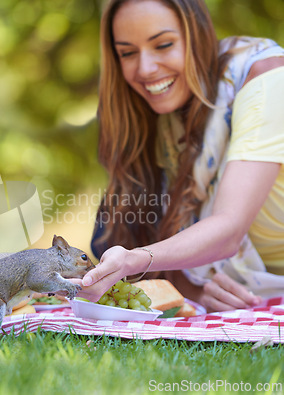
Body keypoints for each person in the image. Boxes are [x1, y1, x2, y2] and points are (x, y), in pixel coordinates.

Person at [70, 0, 284, 312]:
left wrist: (134, 260)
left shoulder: (268, 79)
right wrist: (193, 289)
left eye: (164, 44)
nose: (145, 68)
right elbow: (127, 241)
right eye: (128, 52)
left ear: (197, 35)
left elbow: (229, 229)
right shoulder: (160, 120)